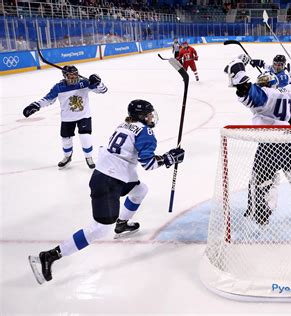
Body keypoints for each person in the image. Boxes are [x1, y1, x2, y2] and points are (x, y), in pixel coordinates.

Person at [28, 99, 185, 284]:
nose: (152, 116)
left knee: (140, 189)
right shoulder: (146, 132)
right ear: (142, 116)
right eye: (149, 113)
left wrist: (167, 157)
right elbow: (149, 164)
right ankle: (51, 255)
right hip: (108, 182)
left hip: (112, 175)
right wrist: (169, 159)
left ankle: (122, 223)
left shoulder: (126, 124)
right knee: (100, 229)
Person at [224, 48, 291, 226]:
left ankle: (261, 213)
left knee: (262, 180)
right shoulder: (288, 91)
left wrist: (238, 66)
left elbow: (244, 89)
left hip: (269, 144)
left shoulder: (263, 97)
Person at [23, 65, 107, 169]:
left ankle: (89, 157)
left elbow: (103, 90)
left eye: (75, 74)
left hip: (84, 116)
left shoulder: (85, 83)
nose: (74, 77)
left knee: (85, 137)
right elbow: (48, 99)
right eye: (71, 75)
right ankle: (67, 157)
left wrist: (98, 82)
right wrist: (36, 105)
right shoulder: (58, 87)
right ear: (65, 75)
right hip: (67, 118)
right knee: (66, 140)